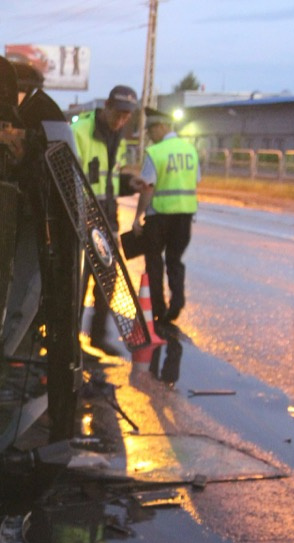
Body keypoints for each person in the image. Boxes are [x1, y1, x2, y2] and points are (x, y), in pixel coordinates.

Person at [71, 85, 139, 349]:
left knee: (106, 278)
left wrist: (129, 183)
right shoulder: (80, 133)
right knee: (76, 282)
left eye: (127, 116)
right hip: (82, 216)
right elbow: (71, 177)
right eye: (119, 113)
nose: (122, 120)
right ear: (107, 106)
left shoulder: (117, 136)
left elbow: (106, 182)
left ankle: (98, 337)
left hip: (107, 217)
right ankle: (71, 339)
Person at [132, 107, 200, 327]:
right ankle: (177, 301)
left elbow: (147, 187)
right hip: (185, 216)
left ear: (161, 126)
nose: (149, 136)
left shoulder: (156, 152)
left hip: (158, 215)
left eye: (151, 130)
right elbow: (196, 180)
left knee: (154, 260)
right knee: (175, 260)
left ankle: (158, 309)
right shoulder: (190, 150)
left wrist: (137, 217)